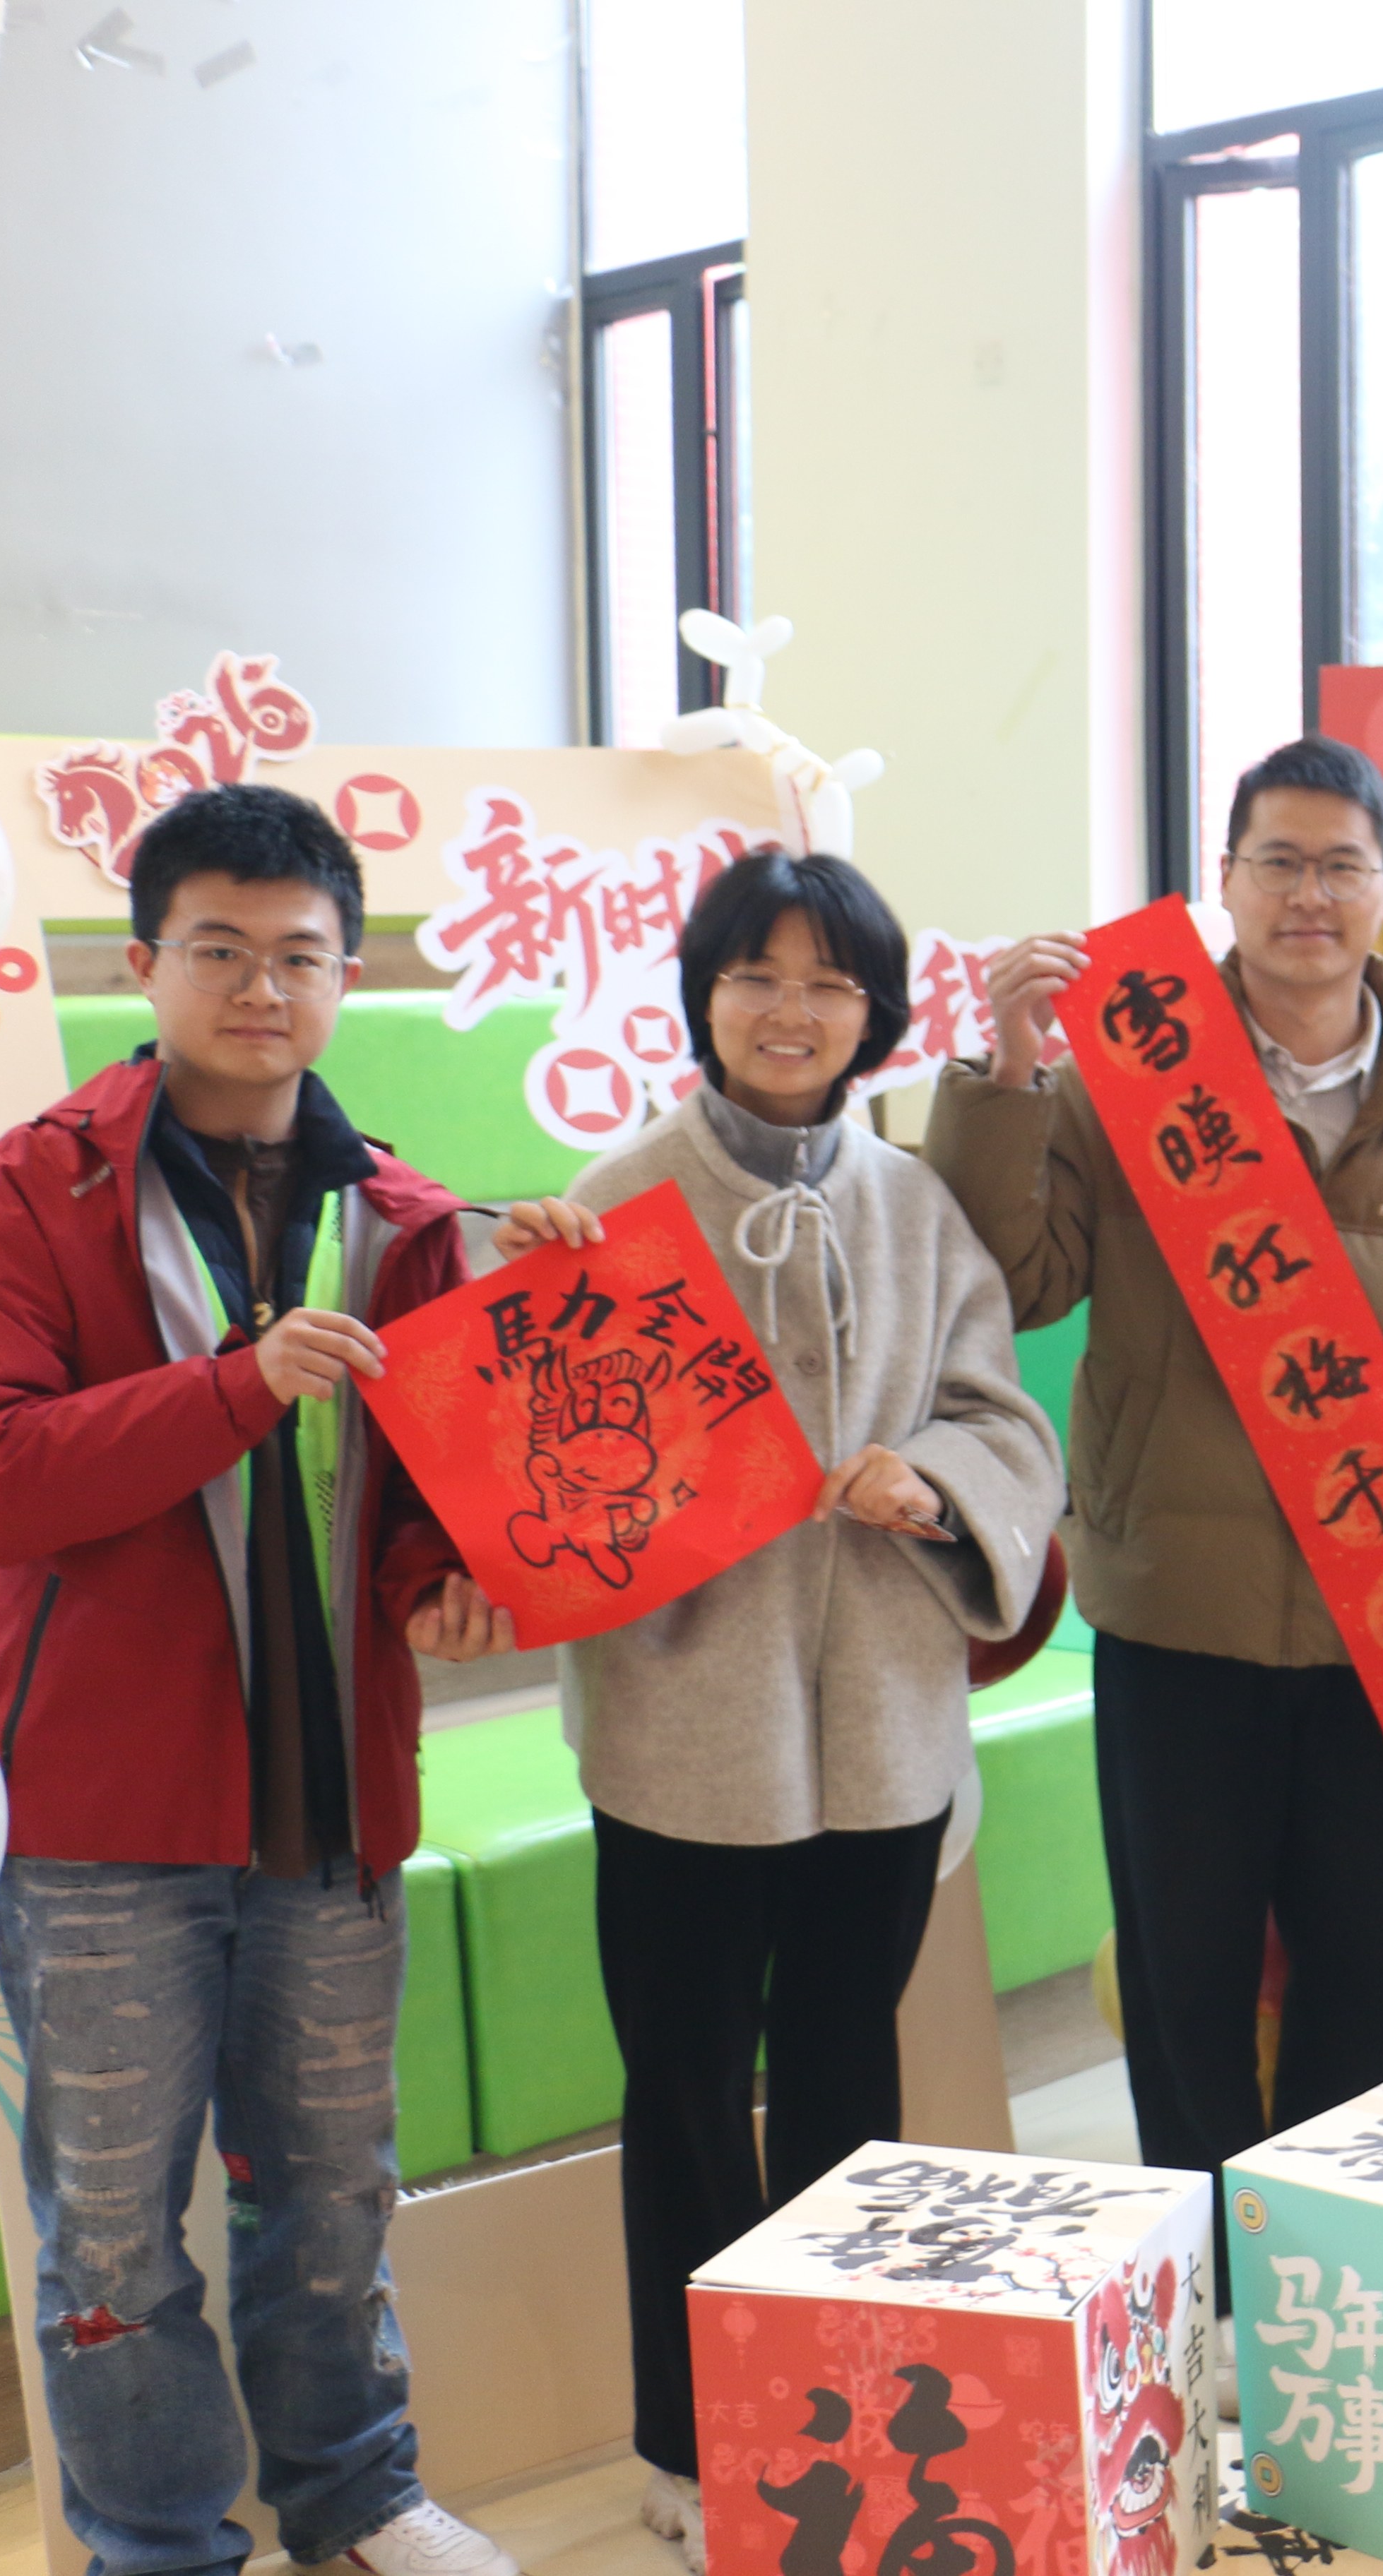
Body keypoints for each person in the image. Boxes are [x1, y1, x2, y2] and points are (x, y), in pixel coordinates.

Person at [0, 782, 525, 2576]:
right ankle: (157, 2541)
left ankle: (357, 2497)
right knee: (115, 2236)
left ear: (344, 976)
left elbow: (412, 1505)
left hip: (331, 1801)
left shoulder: (407, 1219)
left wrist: (445, 1590)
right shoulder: (29, 1193)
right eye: (220, 950)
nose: (262, 989)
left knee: (332, 2192)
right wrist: (238, 1385)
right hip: (99, 1818)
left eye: (300, 956)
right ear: (144, 965)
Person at [922, 736, 1383, 2229]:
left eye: (1341, 865)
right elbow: (1008, 1285)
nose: (1309, 895)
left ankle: (1328, 2276)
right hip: (1179, 1611)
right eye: (1277, 862)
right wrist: (1009, 1076)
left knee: (1362, 1972)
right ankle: (1200, 2285)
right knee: (1188, 1977)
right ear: (1222, 883)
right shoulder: (1132, 1086)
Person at [509, 849, 1061, 2563]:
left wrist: (935, 1479)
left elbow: (1005, 1416)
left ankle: (834, 2424)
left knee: (845, 2088)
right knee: (683, 2096)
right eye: (757, 975)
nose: (791, 1011)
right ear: (706, 995)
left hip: (883, 1731)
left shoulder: (916, 1206)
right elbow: (549, 1458)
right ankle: (690, 2446)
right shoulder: (617, 1197)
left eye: (830, 983)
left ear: (873, 1015)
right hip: (683, 1731)